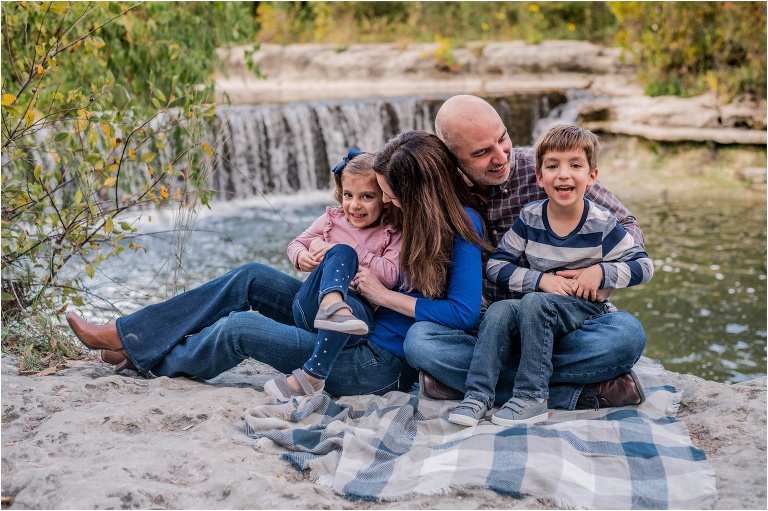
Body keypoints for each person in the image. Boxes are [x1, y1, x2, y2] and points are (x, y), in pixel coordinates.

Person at [65, 130, 488, 400]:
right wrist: (313, 252)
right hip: (346, 322)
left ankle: (143, 359)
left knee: (239, 330)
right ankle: (128, 334)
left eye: (390, 192)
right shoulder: (401, 215)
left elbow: (464, 313)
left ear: (419, 191)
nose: (387, 200)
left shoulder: (458, 225)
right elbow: (334, 233)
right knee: (251, 275)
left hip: (377, 360)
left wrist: (384, 295)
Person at [407, 94, 649, 411]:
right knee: (420, 342)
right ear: (453, 159)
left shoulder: (548, 171)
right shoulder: (441, 194)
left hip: (564, 325)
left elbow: (626, 224)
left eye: (502, 138)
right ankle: (576, 394)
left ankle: (476, 385)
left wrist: (602, 275)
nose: (500, 155)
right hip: (489, 328)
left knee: (626, 337)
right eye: (482, 152)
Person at [266, 149, 402, 397]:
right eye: (348, 195)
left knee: (343, 252)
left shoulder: (391, 231)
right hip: (312, 304)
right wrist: (301, 257)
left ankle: (322, 352)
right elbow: (296, 243)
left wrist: (348, 250)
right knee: (341, 252)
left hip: (359, 314)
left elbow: (391, 275)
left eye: (366, 196)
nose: (354, 205)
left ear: (385, 197)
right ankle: (331, 307)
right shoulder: (331, 219)